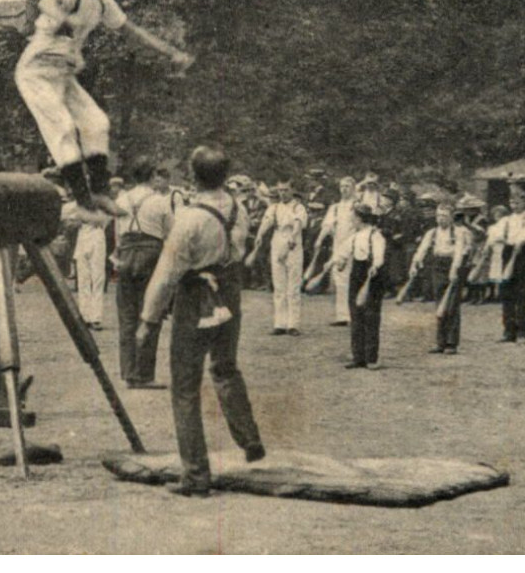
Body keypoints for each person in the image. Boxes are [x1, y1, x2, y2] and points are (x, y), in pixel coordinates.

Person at [16, 0, 193, 215]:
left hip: (63, 73)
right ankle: (82, 197)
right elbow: (49, 13)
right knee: (62, 126)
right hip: (36, 70)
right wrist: (71, 37)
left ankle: (99, 192)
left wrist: (170, 51)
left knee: (97, 123)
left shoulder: (102, 2)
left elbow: (131, 31)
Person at [136, 145, 265, 496]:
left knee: (184, 387)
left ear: (193, 176)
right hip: (229, 290)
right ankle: (250, 440)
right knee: (225, 367)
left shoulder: (190, 219)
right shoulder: (239, 209)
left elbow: (167, 273)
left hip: (196, 297)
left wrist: (148, 320)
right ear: (225, 175)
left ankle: (195, 475)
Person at [115, 164, 172, 389]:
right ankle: (144, 375)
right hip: (150, 255)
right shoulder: (159, 201)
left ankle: (129, 372)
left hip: (126, 254)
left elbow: (118, 232)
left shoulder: (121, 199)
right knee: (149, 314)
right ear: (151, 176)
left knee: (127, 316)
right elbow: (171, 233)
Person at [411, 204, 471, 353]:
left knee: (451, 305)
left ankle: (451, 343)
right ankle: (440, 342)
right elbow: (422, 249)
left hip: (453, 266)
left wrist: (454, 269)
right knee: (439, 303)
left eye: (444, 216)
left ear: (451, 217)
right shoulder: (432, 233)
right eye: (438, 215)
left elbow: (458, 252)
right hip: (437, 265)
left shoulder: (459, 233)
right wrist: (415, 264)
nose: (441, 219)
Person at [251, 180, 307, 336]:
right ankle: (280, 323)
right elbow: (266, 221)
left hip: (293, 244)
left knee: (293, 286)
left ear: (292, 190)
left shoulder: (298, 207)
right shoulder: (274, 207)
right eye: (281, 190)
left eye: (286, 190)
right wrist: (259, 235)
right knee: (279, 285)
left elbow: (298, 223)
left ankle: (293, 324)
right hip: (277, 241)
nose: (283, 193)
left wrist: (293, 238)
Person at [310, 177, 360, 326]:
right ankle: (342, 316)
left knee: (353, 279)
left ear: (353, 188)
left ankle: (355, 315)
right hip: (338, 245)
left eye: (347, 186)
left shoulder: (357, 205)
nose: (344, 189)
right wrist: (319, 239)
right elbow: (327, 225)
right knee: (340, 280)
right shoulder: (335, 207)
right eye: (342, 186)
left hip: (355, 246)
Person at [343, 204, 388, 369]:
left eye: (353, 217)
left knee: (371, 317)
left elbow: (379, 256)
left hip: (372, 277)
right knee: (355, 316)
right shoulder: (354, 236)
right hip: (356, 275)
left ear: (360, 218)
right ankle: (358, 357)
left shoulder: (375, 235)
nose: (351, 220)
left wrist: (375, 266)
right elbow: (342, 252)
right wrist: (337, 261)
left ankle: (371, 358)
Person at [496, 185, 525, 343]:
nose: (515, 206)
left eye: (518, 203)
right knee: (507, 293)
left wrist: (520, 242)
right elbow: (497, 235)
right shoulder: (506, 220)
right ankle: (508, 331)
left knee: (521, 293)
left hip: (523, 254)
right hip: (508, 253)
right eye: (512, 203)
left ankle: (522, 332)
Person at [73, 184, 112, 329]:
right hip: (83, 235)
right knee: (83, 277)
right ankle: (85, 315)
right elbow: (72, 218)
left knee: (97, 277)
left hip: (96, 235)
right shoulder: (79, 202)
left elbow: (105, 220)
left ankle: (96, 317)